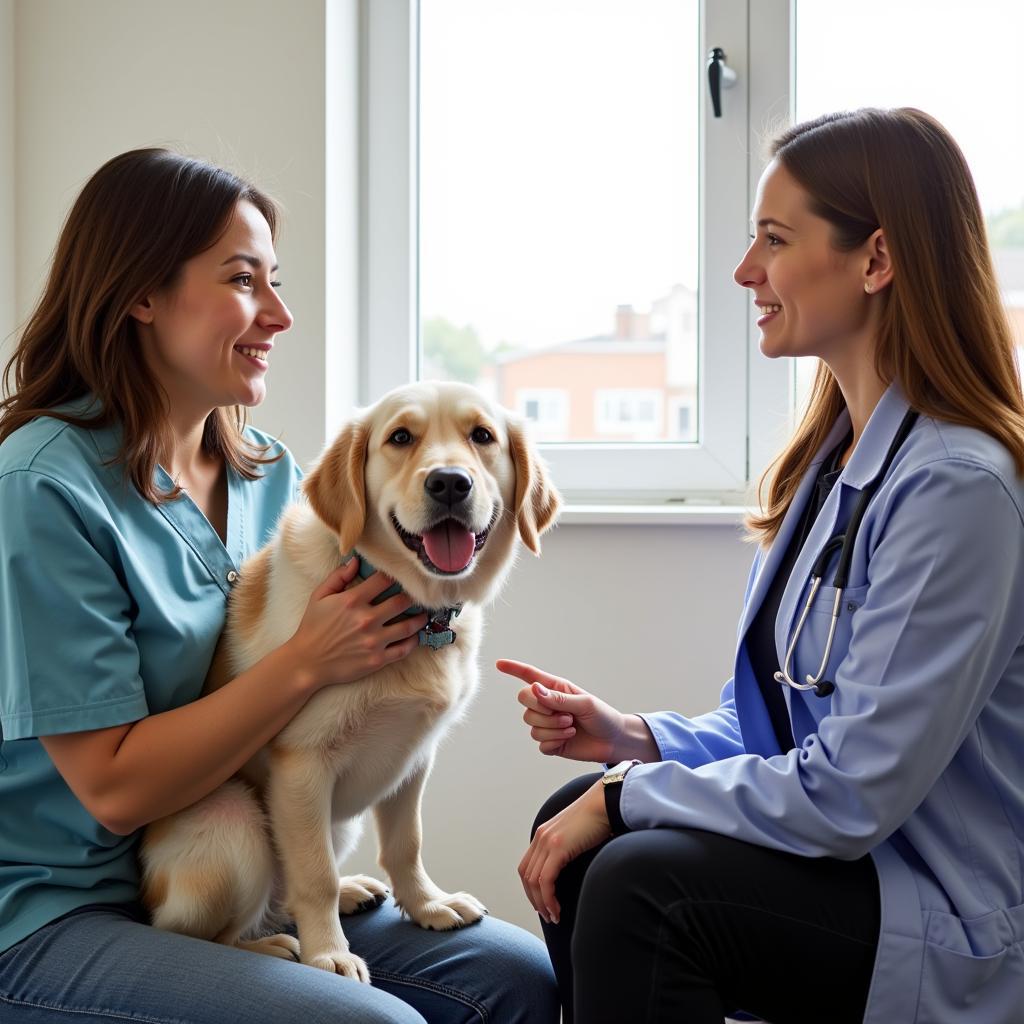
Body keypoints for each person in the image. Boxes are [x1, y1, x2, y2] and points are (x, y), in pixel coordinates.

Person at [0, 148, 559, 1024]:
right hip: (64, 904)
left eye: (277, 281)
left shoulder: (270, 476)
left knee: (515, 977)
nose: (281, 314)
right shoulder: (41, 488)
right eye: (244, 281)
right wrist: (305, 663)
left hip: (261, 856)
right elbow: (116, 794)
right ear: (141, 295)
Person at [498, 107, 1024, 1024]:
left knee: (639, 881)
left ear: (877, 260)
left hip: (944, 906)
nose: (746, 271)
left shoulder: (956, 487)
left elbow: (851, 788)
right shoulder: (836, 464)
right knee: (579, 818)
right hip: (867, 868)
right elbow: (783, 732)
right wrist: (636, 742)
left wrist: (630, 800)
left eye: (774, 240)